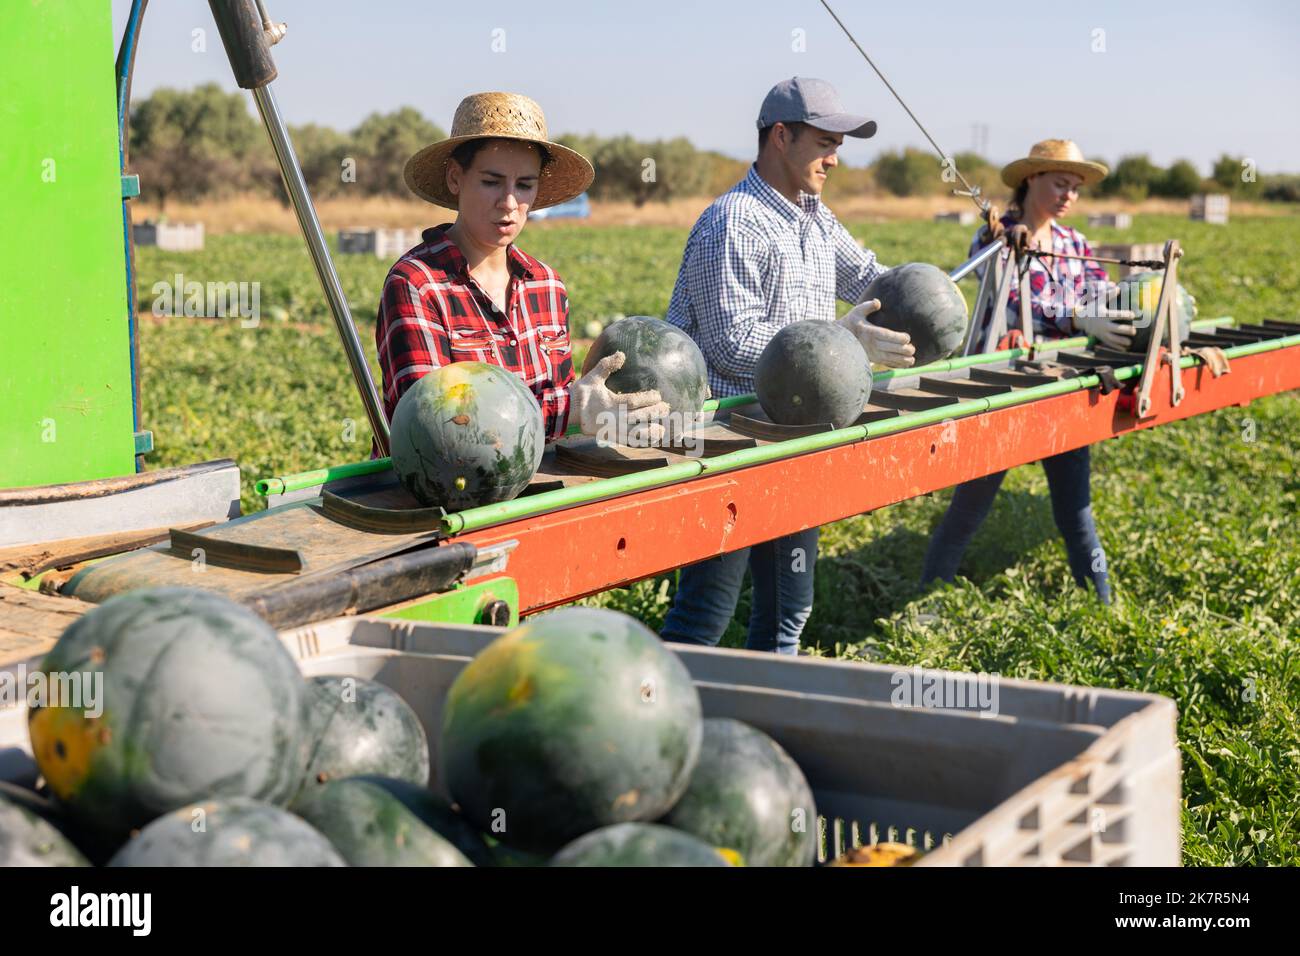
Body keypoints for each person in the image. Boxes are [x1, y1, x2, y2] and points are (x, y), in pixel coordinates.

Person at [660, 76, 916, 655]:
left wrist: (936, 288)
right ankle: (654, 723)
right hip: (729, 443)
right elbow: (731, 346)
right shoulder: (733, 222)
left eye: (839, 145)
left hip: (797, 435)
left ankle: (768, 724)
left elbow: (873, 281)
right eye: (825, 141)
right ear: (781, 136)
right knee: (704, 614)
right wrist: (839, 346)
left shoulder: (815, 217)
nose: (835, 157)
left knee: (787, 614)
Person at [377, 91, 669, 447]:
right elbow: (434, 425)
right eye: (491, 182)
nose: (509, 203)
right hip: (446, 493)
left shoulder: (546, 285)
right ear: (455, 178)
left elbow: (561, 410)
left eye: (525, 185)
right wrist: (570, 409)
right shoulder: (417, 285)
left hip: (535, 488)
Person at [920, 139, 1136, 604]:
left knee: (1076, 513)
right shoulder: (998, 238)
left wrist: (1121, 304)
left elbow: (1100, 294)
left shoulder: (1075, 242)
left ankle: (1104, 607)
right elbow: (1017, 300)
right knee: (968, 510)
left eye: (1075, 187)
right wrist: (1077, 316)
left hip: (1063, 387)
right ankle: (926, 603)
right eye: (1060, 183)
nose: (1068, 195)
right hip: (1008, 387)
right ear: (1031, 179)